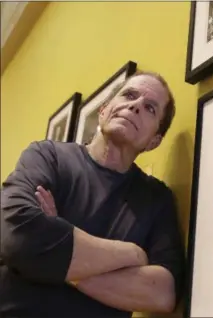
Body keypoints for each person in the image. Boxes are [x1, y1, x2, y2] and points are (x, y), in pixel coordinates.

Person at [0, 71, 185, 317]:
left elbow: (163, 293)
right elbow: (17, 236)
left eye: (150, 108)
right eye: (129, 95)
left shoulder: (156, 198)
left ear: (154, 141)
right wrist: (130, 253)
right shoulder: (48, 156)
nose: (135, 105)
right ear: (104, 110)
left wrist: (54, 249)